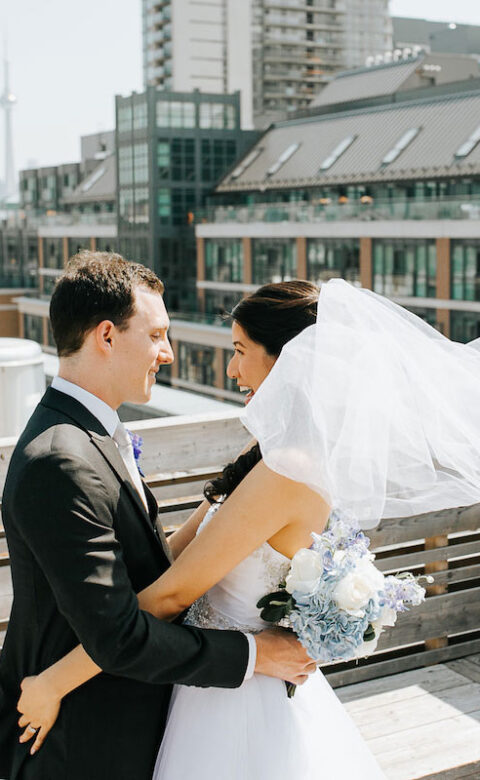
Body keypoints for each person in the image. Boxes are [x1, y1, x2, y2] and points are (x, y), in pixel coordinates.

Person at [16, 277, 480, 778]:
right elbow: (172, 556)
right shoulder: (263, 455)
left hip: (239, 706)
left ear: (290, 361)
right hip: (205, 686)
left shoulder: (288, 471)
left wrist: (54, 682)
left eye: (240, 350)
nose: (232, 368)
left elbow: (169, 596)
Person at [0, 254, 314, 780]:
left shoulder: (95, 437)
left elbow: (151, 567)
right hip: (83, 741)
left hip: (153, 717)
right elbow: (120, 635)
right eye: (157, 335)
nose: (167, 353)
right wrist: (256, 654)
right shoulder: (61, 459)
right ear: (106, 336)